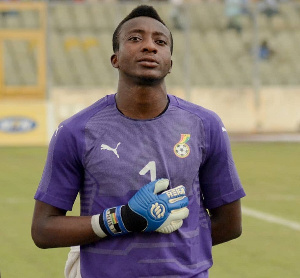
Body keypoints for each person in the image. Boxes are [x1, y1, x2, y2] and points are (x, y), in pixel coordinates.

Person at [31, 5, 246, 278]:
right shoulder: (77, 131)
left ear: (170, 62)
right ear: (115, 58)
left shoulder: (205, 125)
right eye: (135, 39)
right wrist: (121, 221)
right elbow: (42, 229)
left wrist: (173, 245)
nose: (149, 47)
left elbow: (231, 224)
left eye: (160, 42)